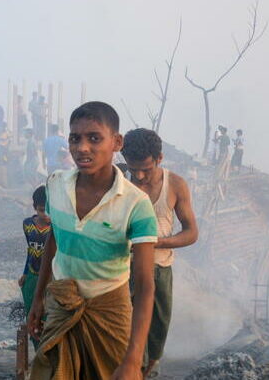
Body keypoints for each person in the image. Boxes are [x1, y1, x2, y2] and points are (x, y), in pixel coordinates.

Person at [28, 101, 158, 380]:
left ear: (116, 142)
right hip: (62, 304)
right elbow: (55, 238)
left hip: (109, 311)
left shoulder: (136, 204)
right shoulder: (55, 184)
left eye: (94, 138)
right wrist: (38, 298)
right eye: (75, 138)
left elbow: (146, 284)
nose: (82, 148)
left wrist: (134, 360)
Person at [121, 128, 199, 377]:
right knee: (125, 335)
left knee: (155, 334)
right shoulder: (118, 181)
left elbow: (191, 232)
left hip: (159, 269)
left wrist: (154, 243)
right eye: (134, 169)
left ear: (159, 158)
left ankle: (146, 371)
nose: (140, 176)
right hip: (120, 269)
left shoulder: (175, 185)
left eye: (146, 168)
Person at [19, 185, 51, 348]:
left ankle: (48, 352)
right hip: (32, 276)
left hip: (51, 278)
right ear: (34, 208)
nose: (45, 215)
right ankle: (38, 350)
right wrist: (25, 272)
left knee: (47, 316)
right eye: (41, 210)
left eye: (48, 210)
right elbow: (31, 251)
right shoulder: (27, 225)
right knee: (32, 315)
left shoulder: (56, 228)